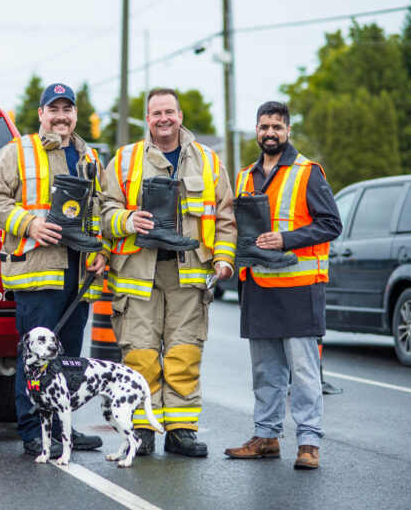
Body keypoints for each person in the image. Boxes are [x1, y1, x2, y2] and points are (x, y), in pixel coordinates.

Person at [100, 88, 237, 457]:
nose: (163, 119)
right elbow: (103, 211)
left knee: (184, 354)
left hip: (188, 276)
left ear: (180, 116)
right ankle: (143, 430)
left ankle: (180, 431)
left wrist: (224, 259)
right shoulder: (125, 160)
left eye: (169, 112)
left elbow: (225, 216)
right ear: (147, 119)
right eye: (156, 113)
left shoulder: (208, 160)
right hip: (137, 274)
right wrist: (128, 220)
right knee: (140, 356)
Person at [0, 83, 108, 458]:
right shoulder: (18, 152)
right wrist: (28, 223)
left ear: (75, 115)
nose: (61, 116)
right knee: (36, 357)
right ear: (41, 114)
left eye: (67, 109)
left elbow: (100, 209)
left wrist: (102, 250)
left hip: (78, 273)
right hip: (38, 274)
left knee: (68, 358)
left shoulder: (89, 157)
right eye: (54, 109)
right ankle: (33, 431)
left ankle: (63, 428)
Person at [224, 101, 342, 470]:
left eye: (277, 126)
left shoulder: (308, 172)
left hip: (299, 288)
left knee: (303, 372)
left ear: (288, 130)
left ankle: (309, 443)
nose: (270, 133)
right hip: (258, 287)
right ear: (257, 131)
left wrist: (286, 239)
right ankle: (266, 437)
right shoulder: (244, 177)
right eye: (264, 126)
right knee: (265, 372)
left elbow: (331, 224)